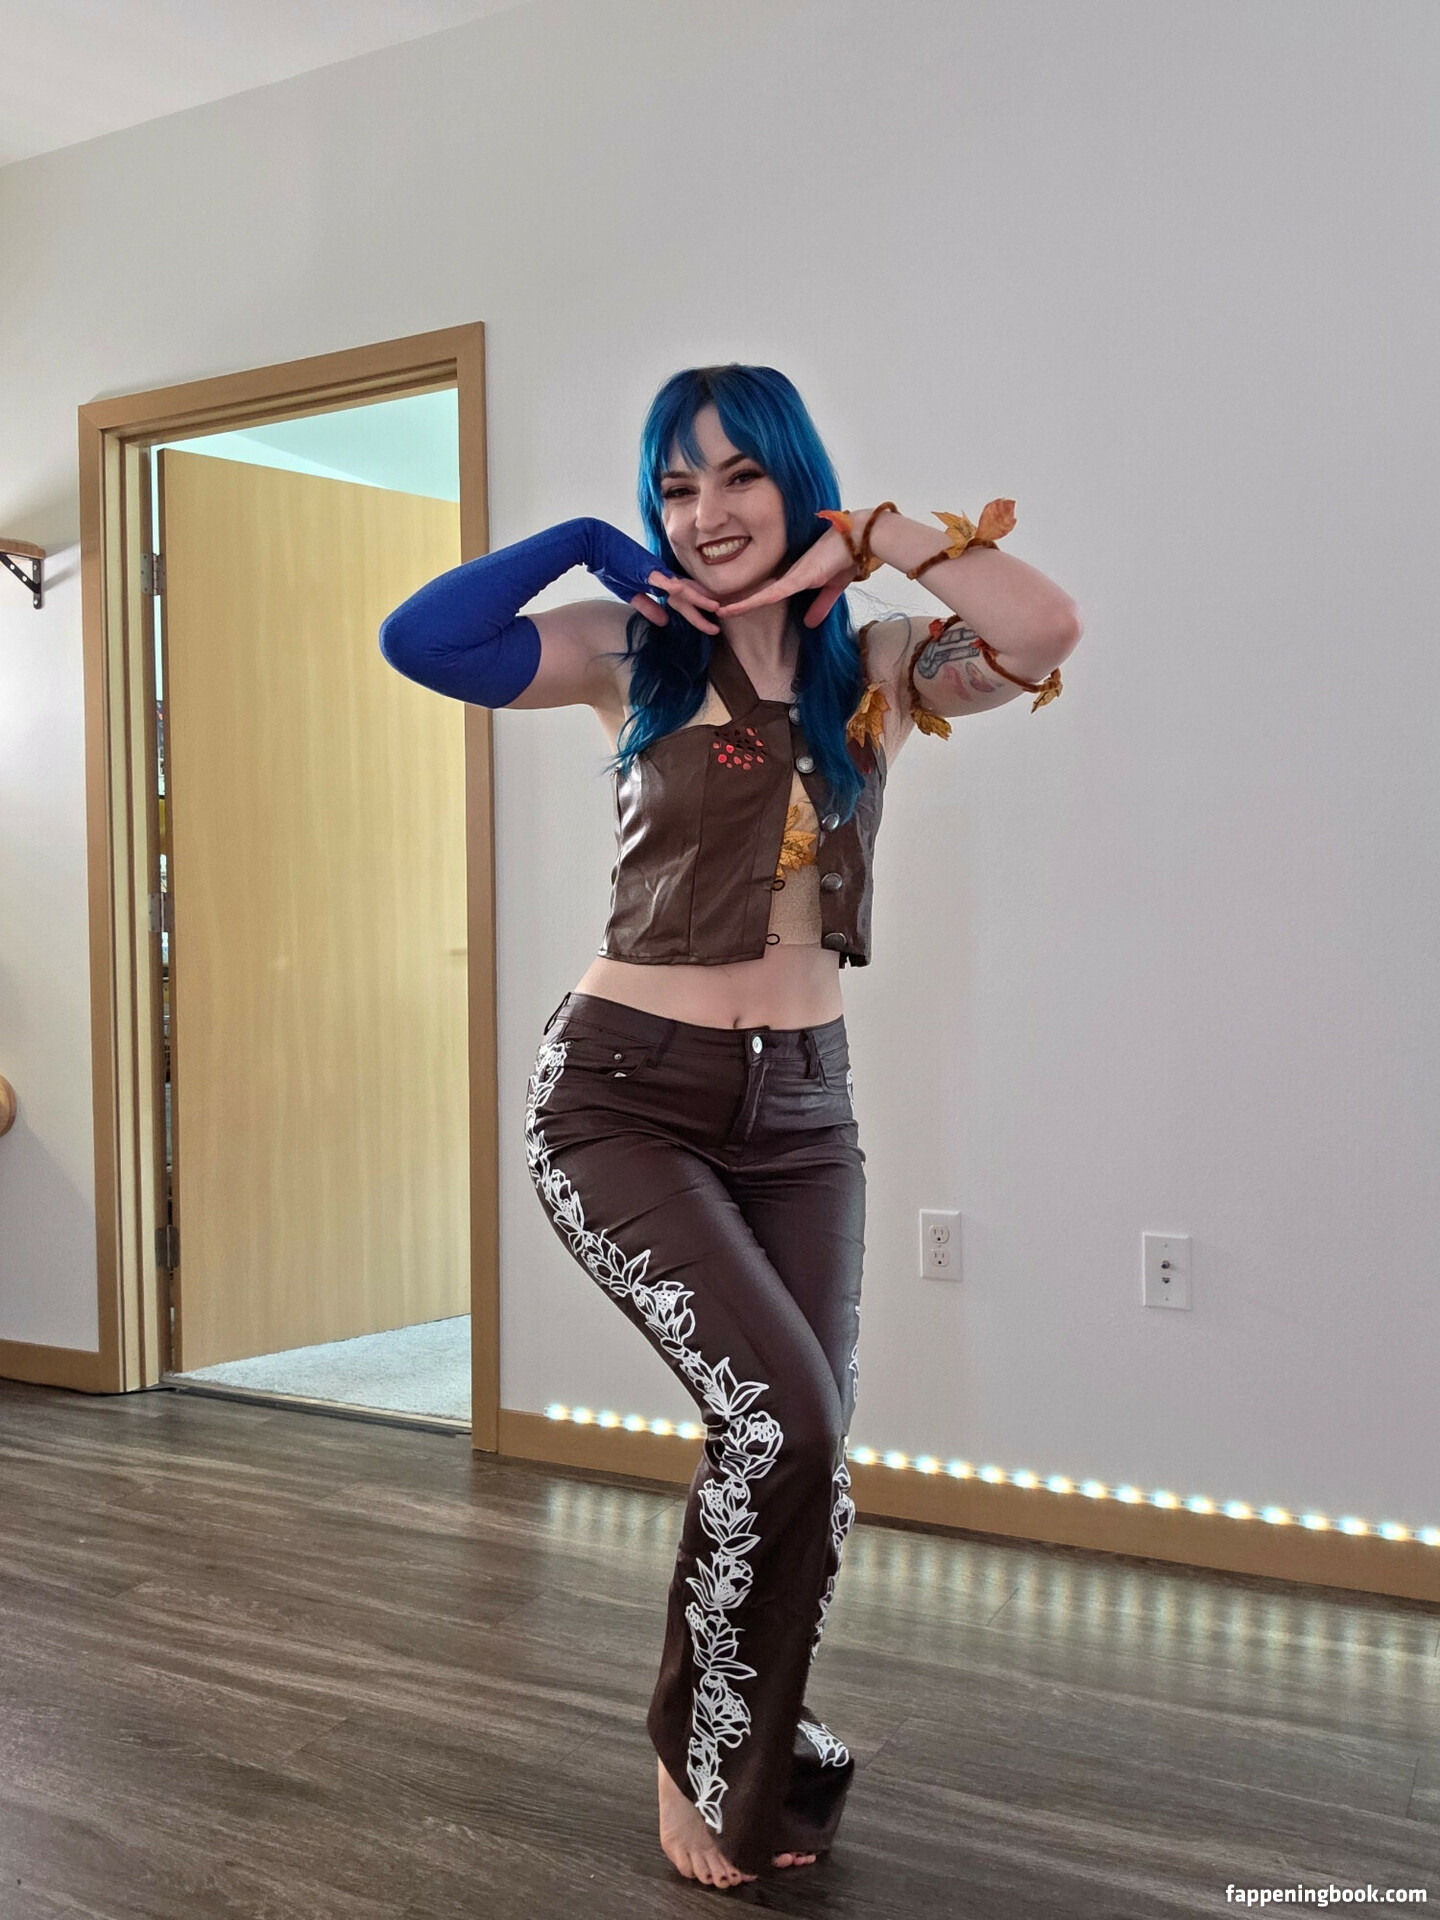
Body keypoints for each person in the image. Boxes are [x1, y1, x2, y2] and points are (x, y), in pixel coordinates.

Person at [379, 363, 1082, 1888]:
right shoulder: (627, 649)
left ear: (794, 481)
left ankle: (732, 1748)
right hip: (622, 1101)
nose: (705, 513)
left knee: (798, 1454)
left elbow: (1041, 631)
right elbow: (421, 639)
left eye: (738, 476)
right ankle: (697, 1757)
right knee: (785, 1423)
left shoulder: (877, 666)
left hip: (806, 1113)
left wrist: (878, 534)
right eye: (675, 487)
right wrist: (586, 539)